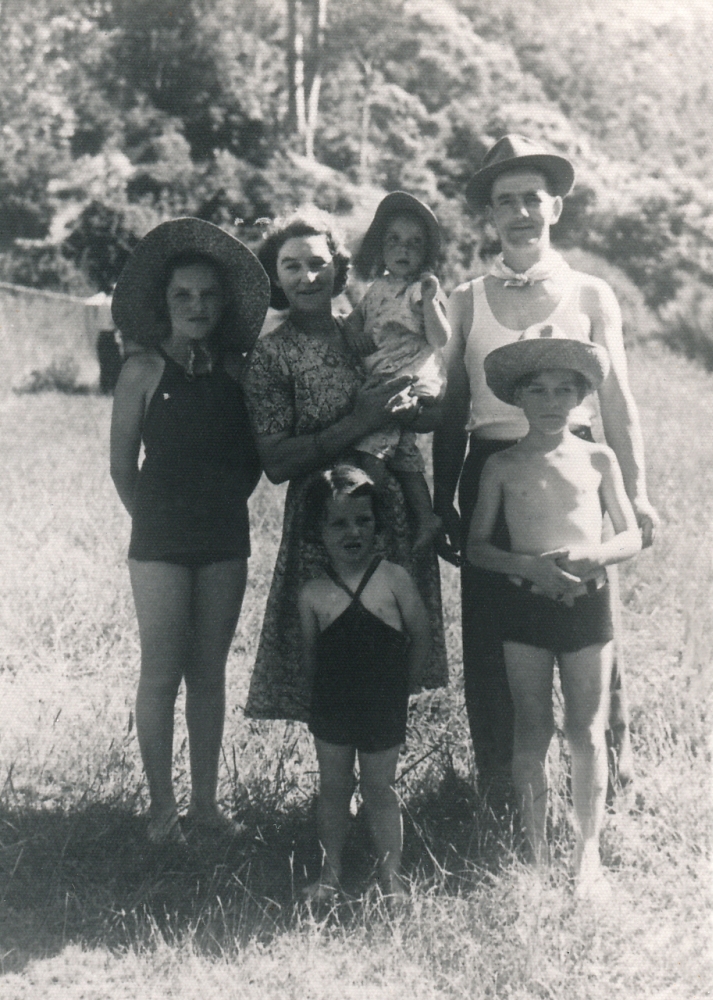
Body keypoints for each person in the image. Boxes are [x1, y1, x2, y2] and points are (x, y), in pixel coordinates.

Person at [432, 134, 659, 806]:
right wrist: (443, 500)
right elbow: (450, 412)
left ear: (554, 206)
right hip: (490, 471)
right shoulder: (465, 298)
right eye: (505, 202)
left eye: (532, 198)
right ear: (490, 217)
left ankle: (610, 784)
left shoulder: (591, 293)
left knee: (588, 617)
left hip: (573, 466)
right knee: (493, 634)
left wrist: (638, 494)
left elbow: (615, 402)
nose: (520, 212)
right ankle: (502, 790)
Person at [243, 205, 448, 727]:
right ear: (275, 275)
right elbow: (275, 461)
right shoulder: (271, 355)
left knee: (389, 648)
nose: (307, 277)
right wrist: (358, 422)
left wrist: (419, 409)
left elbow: (422, 406)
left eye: (318, 262)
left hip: (391, 514)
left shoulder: (368, 330)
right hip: (326, 522)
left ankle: (380, 787)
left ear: (339, 266)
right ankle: (336, 790)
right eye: (291, 265)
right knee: (333, 656)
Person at [110, 218, 270, 844]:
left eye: (208, 295)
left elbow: (254, 458)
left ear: (224, 302)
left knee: (209, 670)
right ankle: (160, 811)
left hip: (225, 537)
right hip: (158, 543)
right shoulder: (142, 371)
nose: (197, 306)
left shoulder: (238, 370)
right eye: (183, 296)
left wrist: (219, 506)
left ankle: (205, 805)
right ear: (164, 302)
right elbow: (123, 465)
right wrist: (155, 520)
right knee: (162, 669)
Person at [466, 325, 641, 893]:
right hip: (525, 610)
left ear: (581, 396)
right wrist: (530, 567)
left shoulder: (598, 459)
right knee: (532, 725)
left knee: (585, 728)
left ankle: (586, 853)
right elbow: (476, 549)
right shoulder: (501, 465)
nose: (549, 403)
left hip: (587, 609)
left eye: (563, 390)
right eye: (536, 391)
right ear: (516, 397)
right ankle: (536, 852)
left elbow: (631, 536)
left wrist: (595, 554)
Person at [299, 465, 429, 900]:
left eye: (364, 520)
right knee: (333, 788)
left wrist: (403, 689)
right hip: (332, 706)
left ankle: (391, 876)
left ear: (378, 524)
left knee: (379, 788)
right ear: (318, 529)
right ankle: (330, 873)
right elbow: (310, 657)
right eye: (339, 522)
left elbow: (422, 636)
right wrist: (315, 704)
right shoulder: (313, 593)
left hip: (382, 705)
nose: (353, 531)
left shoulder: (394, 578)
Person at [344, 192, 451, 554]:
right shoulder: (377, 289)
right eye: (394, 241)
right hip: (384, 378)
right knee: (405, 457)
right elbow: (353, 321)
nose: (403, 250)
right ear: (381, 248)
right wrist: (355, 336)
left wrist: (433, 300)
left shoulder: (419, 291)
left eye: (414, 244)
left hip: (405, 382)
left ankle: (380, 516)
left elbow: (440, 338)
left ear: (426, 255)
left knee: (370, 453)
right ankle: (424, 517)